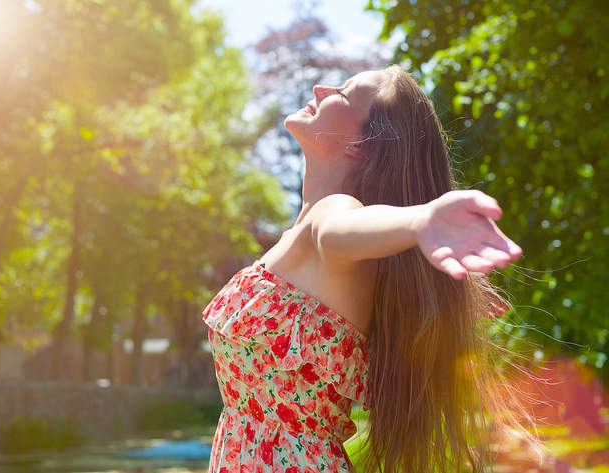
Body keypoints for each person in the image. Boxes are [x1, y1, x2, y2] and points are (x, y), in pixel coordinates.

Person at [202, 64, 541, 473]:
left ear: (361, 145)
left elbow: (340, 230)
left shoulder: (334, 213)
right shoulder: (317, 241)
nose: (320, 87)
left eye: (343, 94)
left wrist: (420, 221)